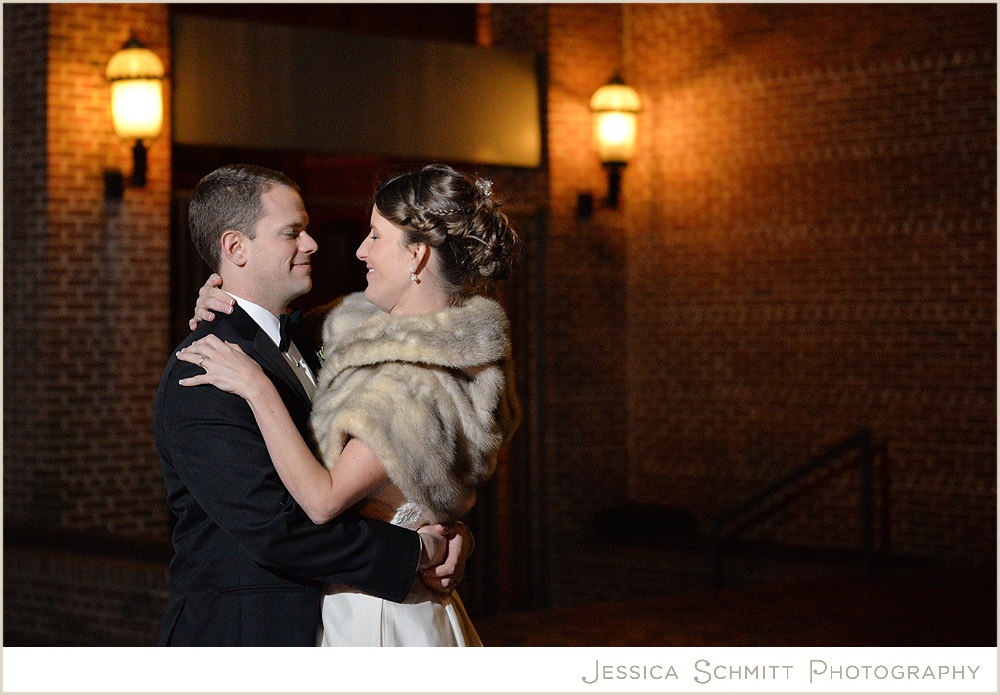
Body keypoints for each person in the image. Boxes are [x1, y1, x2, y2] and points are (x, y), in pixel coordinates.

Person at [178, 163, 520, 646]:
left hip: (374, 616)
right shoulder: (235, 359)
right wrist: (427, 541)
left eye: (375, 236)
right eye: (292, 232)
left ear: (418, 256)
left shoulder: (408, 374)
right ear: (236, 248)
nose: (354, 249)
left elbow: (322, 502)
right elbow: (277, 526)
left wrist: (257, 387)